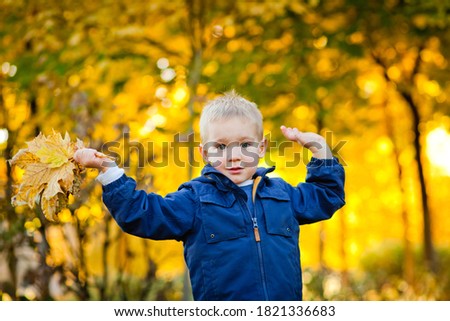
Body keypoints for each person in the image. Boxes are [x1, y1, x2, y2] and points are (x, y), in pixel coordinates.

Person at [74, 91, 345, 300]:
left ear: (261, 147)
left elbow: (326, 196)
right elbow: (142, 214)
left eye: (245, 145)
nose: (234, 155)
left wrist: (319, 148)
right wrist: (108, 170)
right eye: (220, 147)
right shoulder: (195, 200)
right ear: (204, 153)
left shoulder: (282, 194)